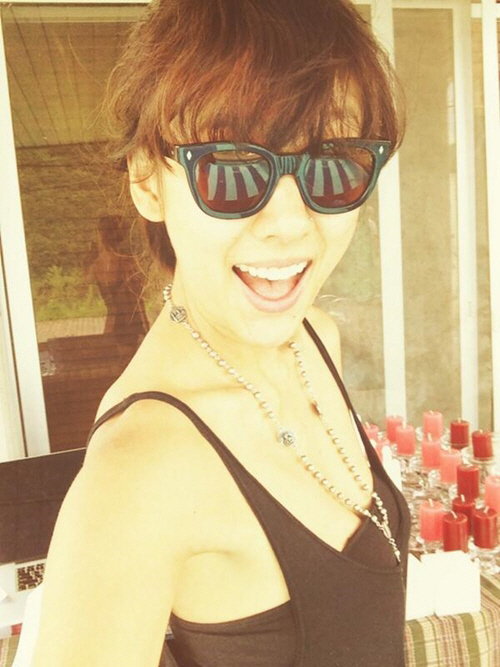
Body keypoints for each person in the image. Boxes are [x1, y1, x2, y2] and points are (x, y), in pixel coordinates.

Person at [33, 1, 411, 665]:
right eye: (232, 170)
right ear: (148, 183)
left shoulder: (315, 340)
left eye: (333, 165)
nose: (289, 224)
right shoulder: (140, 469)